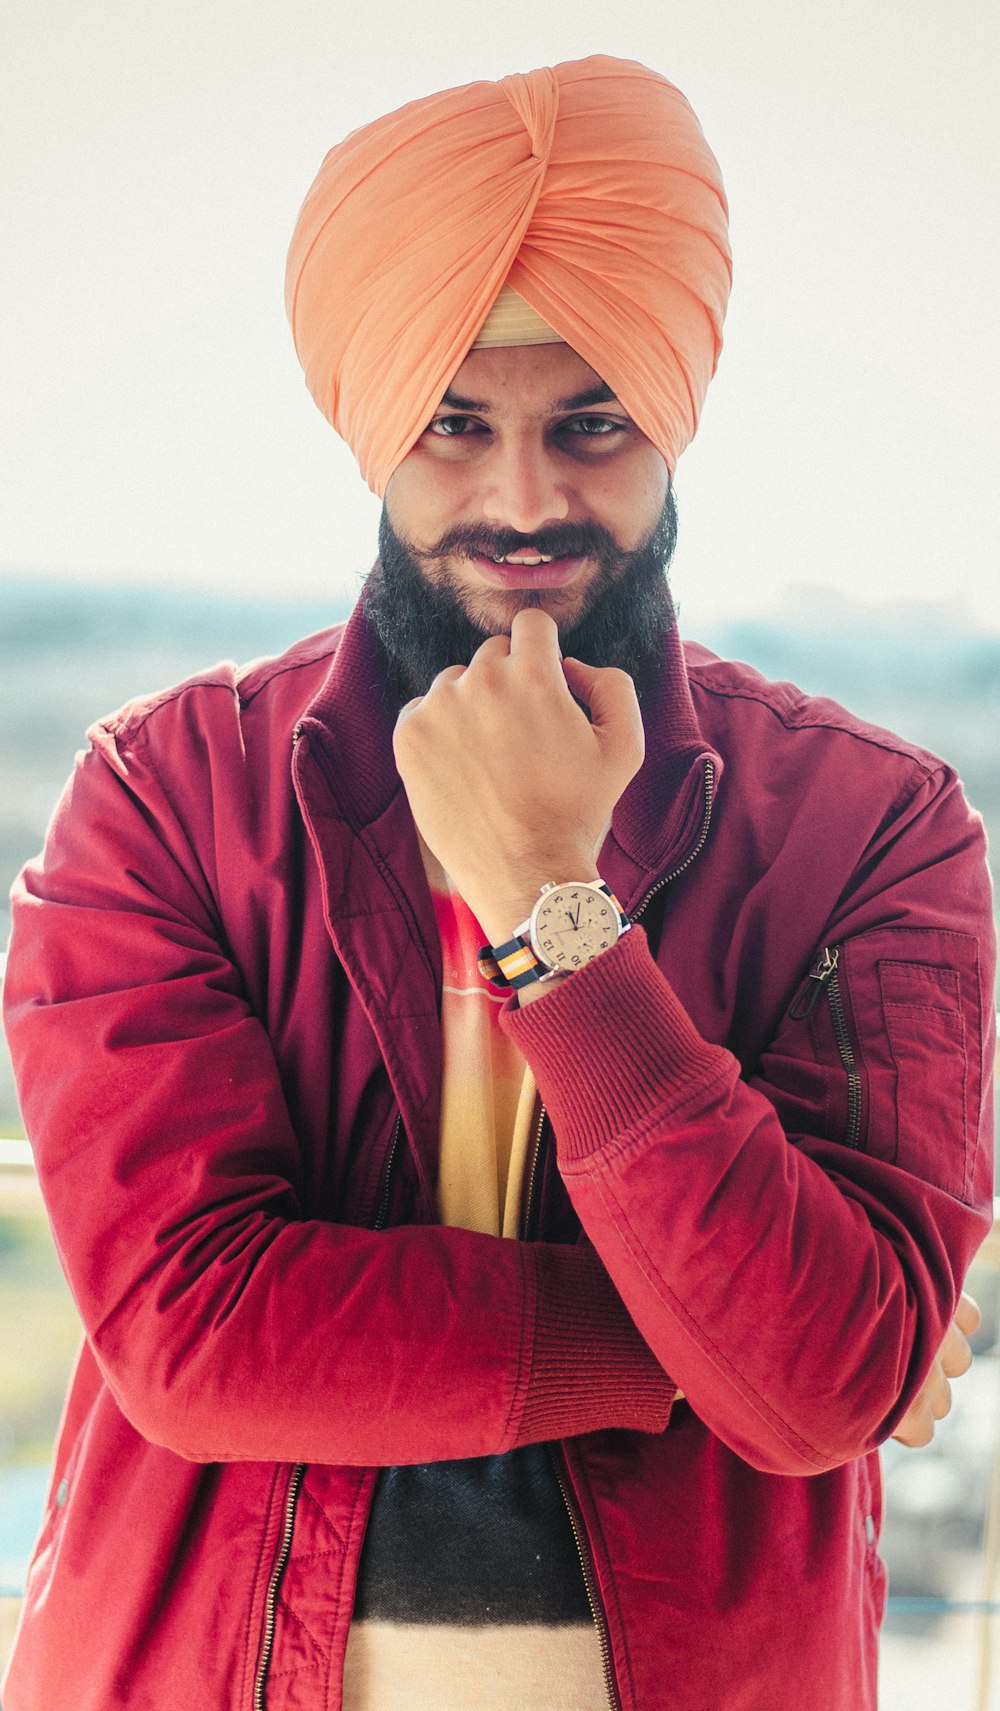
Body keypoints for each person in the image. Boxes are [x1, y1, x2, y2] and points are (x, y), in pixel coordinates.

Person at [2, 54, 994, 1711]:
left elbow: (827, 1380)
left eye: (590, 423)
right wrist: (712, 1348)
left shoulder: (875, 826)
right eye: (456, 426)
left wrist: (554, 911)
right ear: (377, 429)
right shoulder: (163, 799)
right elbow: (198, 1329)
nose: (524, 500)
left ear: (670, 420)